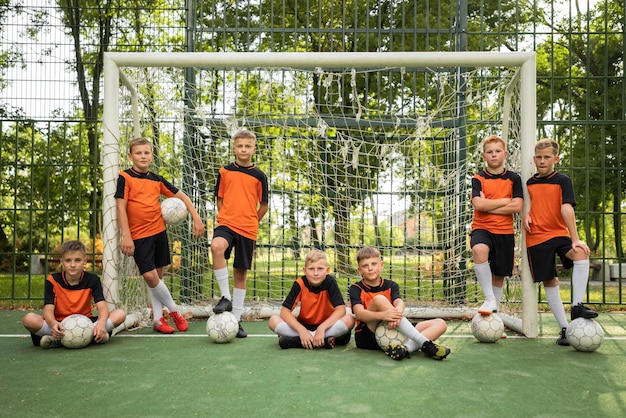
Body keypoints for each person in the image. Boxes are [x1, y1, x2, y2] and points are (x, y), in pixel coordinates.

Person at [115, 137, 205, 334]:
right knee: (149, 275)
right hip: (138, 236)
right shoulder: (125, 177)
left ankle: (157, 320)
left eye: (146, 152)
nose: (143, 156)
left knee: (158, 276)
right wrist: (126, 236)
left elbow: (182, 196)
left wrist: (196, 218)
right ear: (130, 156)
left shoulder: (156, 179)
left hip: (159, 232)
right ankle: (174, 311)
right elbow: (121, 208)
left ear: (152, 155)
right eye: (138, 153)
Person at [523, 138, 598, 346]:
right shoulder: (529, 183)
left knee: (581, 253)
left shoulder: (562, 180)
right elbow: (526, 204)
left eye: (547, 157)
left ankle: (577, 305)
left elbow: (566, 208)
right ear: (534, 159)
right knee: (550, 281)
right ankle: (565, 329)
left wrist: (575, 239)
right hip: (536, 238)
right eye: (538, 157)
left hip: (559, 234)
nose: (542, 161)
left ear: (556, 158)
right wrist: (526, 213)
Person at [210, 129, 269, 338]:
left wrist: (251, 220)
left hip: (248, 228)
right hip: (226, 223)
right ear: (234, 148)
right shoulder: (224, 171)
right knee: (216, 246)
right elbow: (219, 199)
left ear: (253, 148)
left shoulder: (260, 176)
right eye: (239, 146)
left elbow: (263, 205)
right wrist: (228, 217)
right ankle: (225, 297)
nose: (243, 149)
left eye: (247, 146)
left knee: (240, 272)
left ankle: (235, 320)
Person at [348, 246, 450, 361]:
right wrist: (384, 315)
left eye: (374, 264)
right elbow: (360, 314)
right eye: (365, 266)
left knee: (440, 323)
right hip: (367, 335)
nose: (370, 268)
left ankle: (404, 349)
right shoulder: (356, 288)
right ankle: (424, 343)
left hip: (393, 325)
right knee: (379, 299)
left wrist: (396, 313)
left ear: (381, 265)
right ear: (359, 270)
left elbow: (399, 302)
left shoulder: (391, 285)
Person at [22, 240, 127, 348]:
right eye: (68, 261)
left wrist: (101, 324)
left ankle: (59, 340)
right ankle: (91, 338)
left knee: (120, 314)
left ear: (84, 261)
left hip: (86, 323)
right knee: (29, 319)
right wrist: (53, 324)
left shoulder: (92, 280)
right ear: (62, 262)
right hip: (60, 324)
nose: (73, 265)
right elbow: (48, 309)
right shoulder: (52, 280)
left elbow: (102, 307)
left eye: (77, 260)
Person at [470, 135, 523, 315]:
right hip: (482, 227)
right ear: (484, 156)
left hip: (504, 231)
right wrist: (504, 201)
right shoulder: (478, 178)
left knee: (498, 276)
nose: (494, 155)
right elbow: (478, 204)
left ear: (505, 154)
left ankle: (495, 316)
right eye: (489, 152)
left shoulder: (514, 179)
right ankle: (489, 298)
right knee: (479, 250)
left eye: (497, 151)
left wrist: (489, 205)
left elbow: (518, 206)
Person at [268, 249, 355, 349]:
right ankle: (322, 340)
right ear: (304, 270)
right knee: (273, 320)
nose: (316, 273)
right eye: (311, 269)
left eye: (320, 269)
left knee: (350, 320)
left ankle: (296, 341)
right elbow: (284, 312)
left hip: (327, 326)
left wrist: (322, 328)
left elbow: (341, 310)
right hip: (304, 326)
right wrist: (301, 330)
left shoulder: (330, 282)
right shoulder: (300, 284)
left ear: (327, 270)